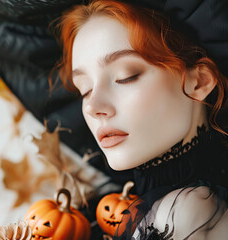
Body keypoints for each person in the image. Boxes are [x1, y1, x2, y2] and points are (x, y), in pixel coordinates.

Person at [54, 0, 228, 239]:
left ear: (199, 82)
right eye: (84, 89)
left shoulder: (186, 213)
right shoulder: (146, 207)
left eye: (125, 77)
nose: (93, 107)